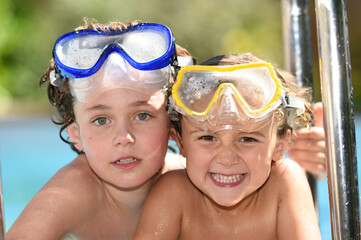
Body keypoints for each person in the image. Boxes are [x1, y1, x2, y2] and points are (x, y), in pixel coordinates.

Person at [5, 20, 193, 240]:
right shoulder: (71, 192)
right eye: (101, 120)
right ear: (76, 135)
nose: (124, 138)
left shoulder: (190, 180)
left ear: (171, 124)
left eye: (142, 115)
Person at [134, 53, 322, 239]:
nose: (227, 158)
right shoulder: (173, 193)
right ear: (181, 143)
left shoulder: (284, 182)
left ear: (280, 146)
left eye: (247, 139)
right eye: (208, 138)